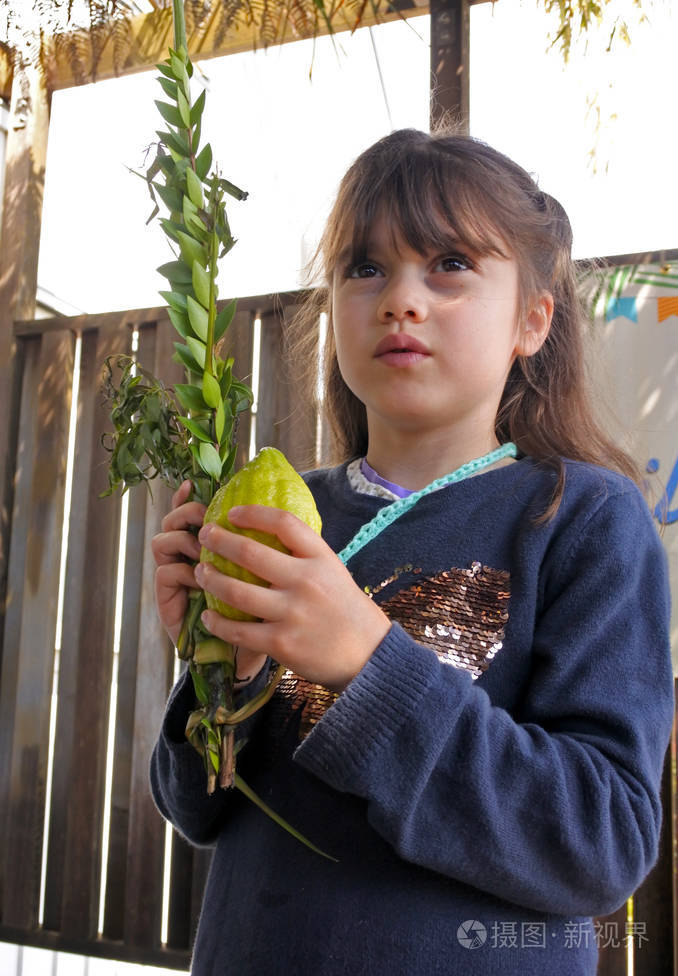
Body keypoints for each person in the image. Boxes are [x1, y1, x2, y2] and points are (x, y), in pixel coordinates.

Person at [150, 128, 674, 976]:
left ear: (532, 319)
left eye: (450, 264)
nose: (400, 298)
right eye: (365, 267)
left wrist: (368, 662)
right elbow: (197, 810)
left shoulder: (582, 519)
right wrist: (223, 672)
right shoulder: (286, 514)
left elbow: (603, 839)